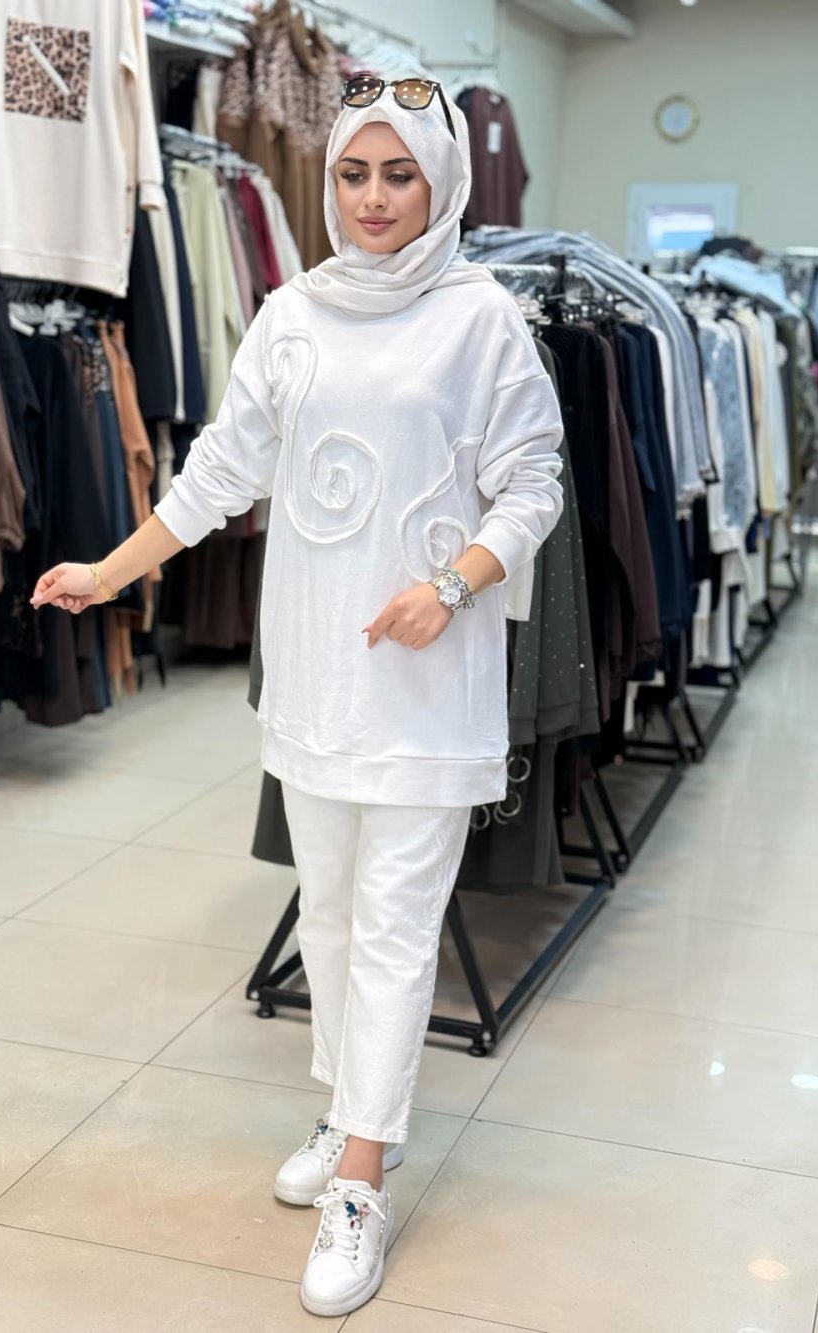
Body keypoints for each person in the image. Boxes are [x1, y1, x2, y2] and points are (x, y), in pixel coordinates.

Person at [31, 75, 564, 1320]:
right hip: (317, 674)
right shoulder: (291, 311)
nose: (373, 198)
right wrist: (110, 569)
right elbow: (222, 469)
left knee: (393, 925)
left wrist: (454, 583)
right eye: (353, 174)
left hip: (425, 680)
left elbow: (533, 482)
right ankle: (345, 1111)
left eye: (399, 175)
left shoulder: (481, 318)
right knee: (325, 914)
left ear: (441, 183)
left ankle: (362, 1179)